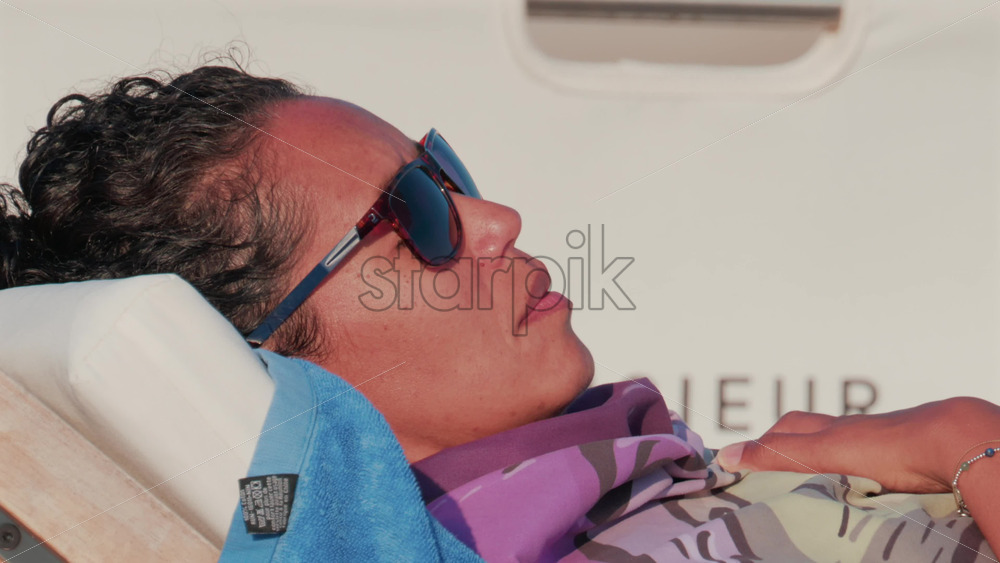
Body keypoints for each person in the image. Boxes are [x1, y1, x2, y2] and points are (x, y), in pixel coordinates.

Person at [1, 62, 998, 561]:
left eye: (447, 175)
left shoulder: (648, 489)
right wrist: (968, 443)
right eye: (418, 214)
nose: (497, 218)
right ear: (277, 365)